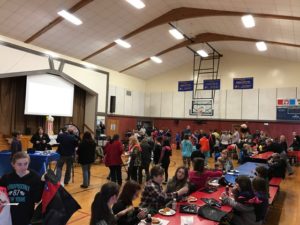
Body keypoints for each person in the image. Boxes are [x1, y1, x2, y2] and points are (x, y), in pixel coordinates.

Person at [0, 152, 44, 225]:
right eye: (19, 164)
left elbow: (37, 199)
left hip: (27, 214)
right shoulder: (6, 178)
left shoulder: (35, 177)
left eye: (26, 164)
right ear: (13, 164)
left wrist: (42, 184)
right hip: (9, 215)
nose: (23, 167)